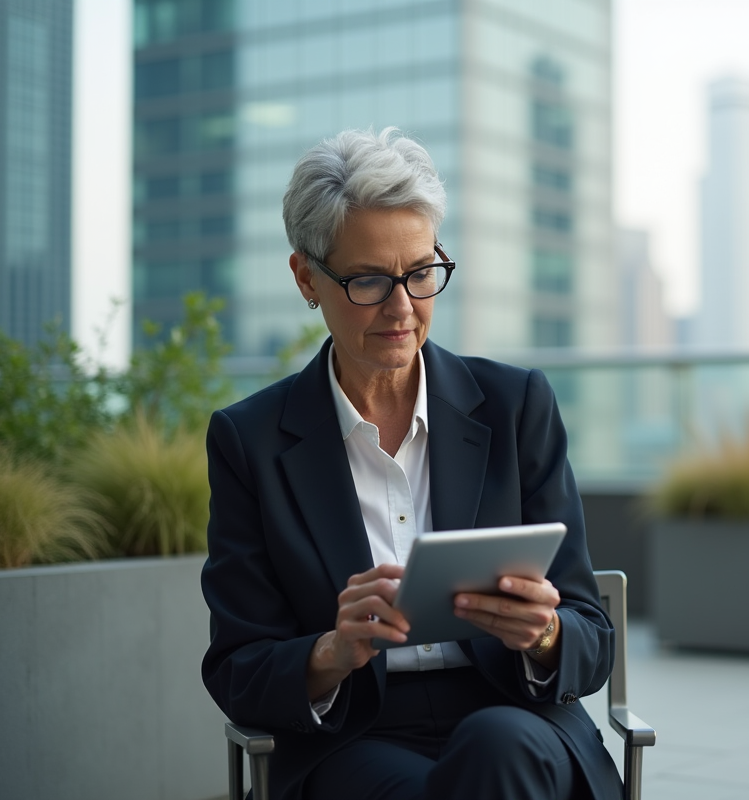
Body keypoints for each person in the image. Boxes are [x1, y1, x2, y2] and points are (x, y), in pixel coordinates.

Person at [201, 128, 623, 800]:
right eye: (369, 280)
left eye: (422, 273)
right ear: (307, 278)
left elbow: (591, 638)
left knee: (496, 749)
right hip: (353, 737)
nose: (402, 308)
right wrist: (331, 652)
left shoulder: (516, 408)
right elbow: (239, 669)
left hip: (516, 713)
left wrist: (544, 633)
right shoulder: (248, 442)